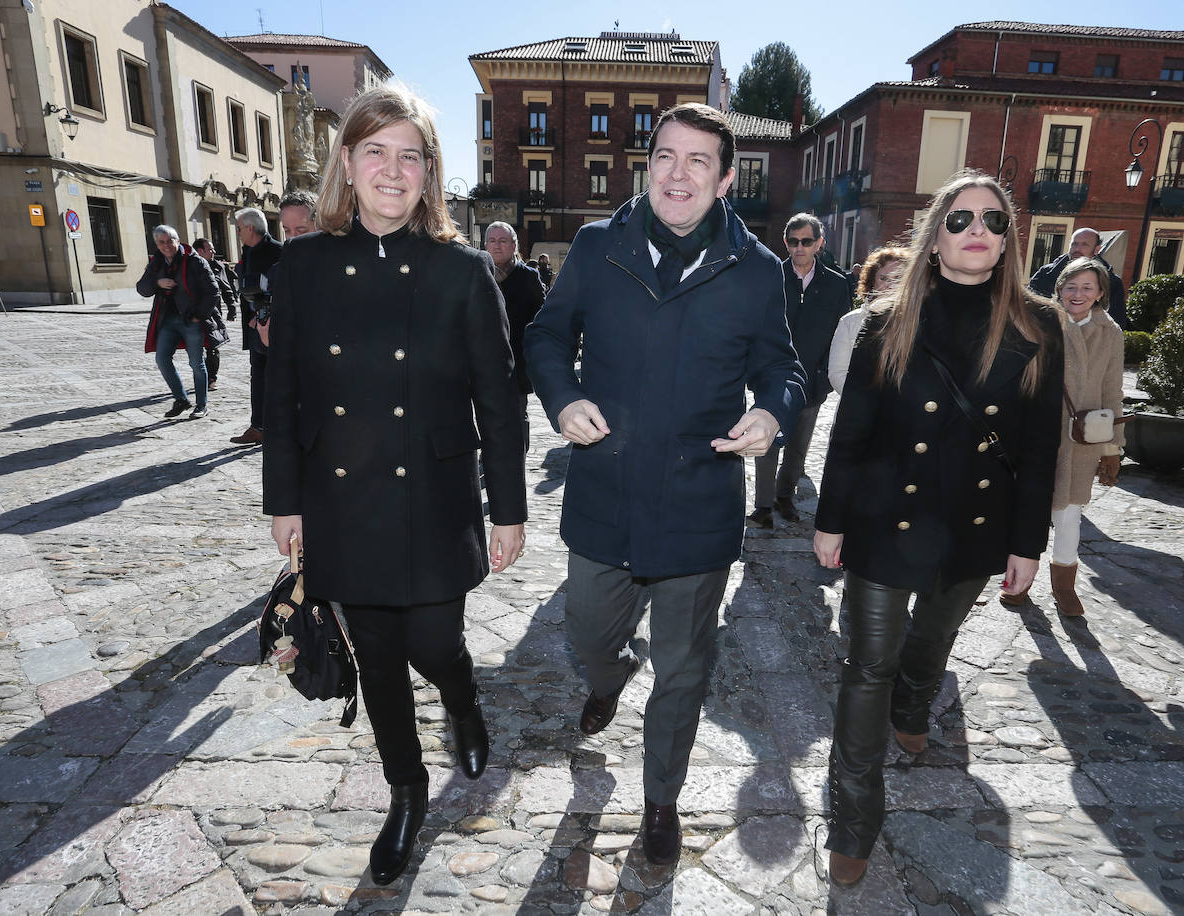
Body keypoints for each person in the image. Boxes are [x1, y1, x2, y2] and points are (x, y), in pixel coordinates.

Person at [524, 102, 805, 866]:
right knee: (588, 635)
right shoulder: (595, 246)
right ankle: (609, 676)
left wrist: (772, 414)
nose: (678, 175)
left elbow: (784, 368)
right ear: (648, 164)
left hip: (697, 507)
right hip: (603, 498)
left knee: (683, 669)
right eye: (666, 157)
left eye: (698, 162)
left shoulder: (756, 272)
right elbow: (546, 336)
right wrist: (563, 395)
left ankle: (660, 802)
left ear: (723, 181)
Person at [264, 83, 526, 887]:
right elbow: (284, 392)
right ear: (348, 161)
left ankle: (463, 697)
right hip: (344, 499)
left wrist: (507, 510)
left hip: (436, 497)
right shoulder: (302, 264)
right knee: (378, 657)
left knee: (432, 644)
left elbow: (499, 397)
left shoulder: (461, 270)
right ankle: (406, 793)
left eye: (409, 155)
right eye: (375, 150)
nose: (391, 168)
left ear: (429, 173)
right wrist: (285, 498)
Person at [813, 170, 1062, 886]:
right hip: (884, 520)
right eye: (958, 220)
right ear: (932, 239)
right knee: (867, 667)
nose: (975, 230)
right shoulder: (888, 322)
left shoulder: (1037, 325)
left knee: (933, 638)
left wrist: (1028, 542)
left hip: (974, 526)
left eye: (991, 220)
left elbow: (1042, 446)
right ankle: (854, 818)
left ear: (1009, 239)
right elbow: (850, 433)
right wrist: (830, 523)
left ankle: (917, 699)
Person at [1001, 257, 1123, 615]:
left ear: (1101, 292)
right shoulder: (1042, 322)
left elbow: (1112, 389)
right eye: (1071, 286)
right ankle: (1017, 579)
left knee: (1069, 515)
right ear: (1059, 288)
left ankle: (1064, 586)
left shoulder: (1110, 331)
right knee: (1029, 508)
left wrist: (1112, 447)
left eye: (1088, 287)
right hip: (1037, 432)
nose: (1078, 294)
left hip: (1082, 437)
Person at [748, 213, 853, 527]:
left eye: (806, 241)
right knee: (767, 445)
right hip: (772, 381)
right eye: (793, 242)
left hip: (812, 383)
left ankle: (785, 497)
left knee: (797, 450)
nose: (799, 248)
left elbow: (841, 335)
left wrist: (824, 379)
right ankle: (763, 506)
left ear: (819, 243)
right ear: (786, 243)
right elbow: (753, 328)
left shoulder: (836, 285)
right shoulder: (769, 278)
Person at [137, 225, 221, 419]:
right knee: (162, 359)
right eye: (161, 242)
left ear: (177, 240)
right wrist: (157, 283)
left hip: (191, 320)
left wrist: (199, 315)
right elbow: (142, 288)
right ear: (156, 244)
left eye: (169, 241)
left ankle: (201, 405)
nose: (166, 246)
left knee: (196, 363)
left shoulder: (194, 261)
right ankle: (181, 399)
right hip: (167, 320)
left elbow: (212, 291)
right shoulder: (156, 263)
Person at [484, 221, 546, 449]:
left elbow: (543, 318)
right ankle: (491, 455)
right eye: (492, 240)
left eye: (503, 241)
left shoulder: (528, 277)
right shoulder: (479, 273)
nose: (497, 246)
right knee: (487, 413)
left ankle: (517, 456)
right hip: (482, 360)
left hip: (516, 361)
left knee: (518, 412)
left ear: (514, 245)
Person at [230, 208, 282, 446]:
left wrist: (263, 314)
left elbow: (283, 292)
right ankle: (258, 427)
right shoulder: (247, 251)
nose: (238, 233)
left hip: (272, 327)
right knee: (258, 378)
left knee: (277, 380)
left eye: (239, 228)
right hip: (254, 327)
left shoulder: (278, 252)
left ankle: (278, 428)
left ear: (250, 228)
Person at [827, 246, 910, 395]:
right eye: (884, 278)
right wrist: (866, 401)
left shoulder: (920, 322)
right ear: (872, 280)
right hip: (857, 411)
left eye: (898, 278)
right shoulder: (850, 322)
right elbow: (837, 373)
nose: (890, 285)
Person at [1028, 227, 1128, 329]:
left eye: (1084, 245)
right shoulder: (1046, 274)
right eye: (1074, 244)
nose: (1077, 249)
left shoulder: (1112, 282)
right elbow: (1026, 307)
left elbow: (1116, 324)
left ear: (1097, 250)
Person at [193, 237, 236, 391]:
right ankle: (201, 376)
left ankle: (211, 378)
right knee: (195, 348)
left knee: (212, 346)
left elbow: (226, 288)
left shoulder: (218, 267)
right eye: (210, 249)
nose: (214, 251)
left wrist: (231, 307)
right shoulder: (190, 267)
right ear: (200, 252)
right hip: (193, 314)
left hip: (212, 314)